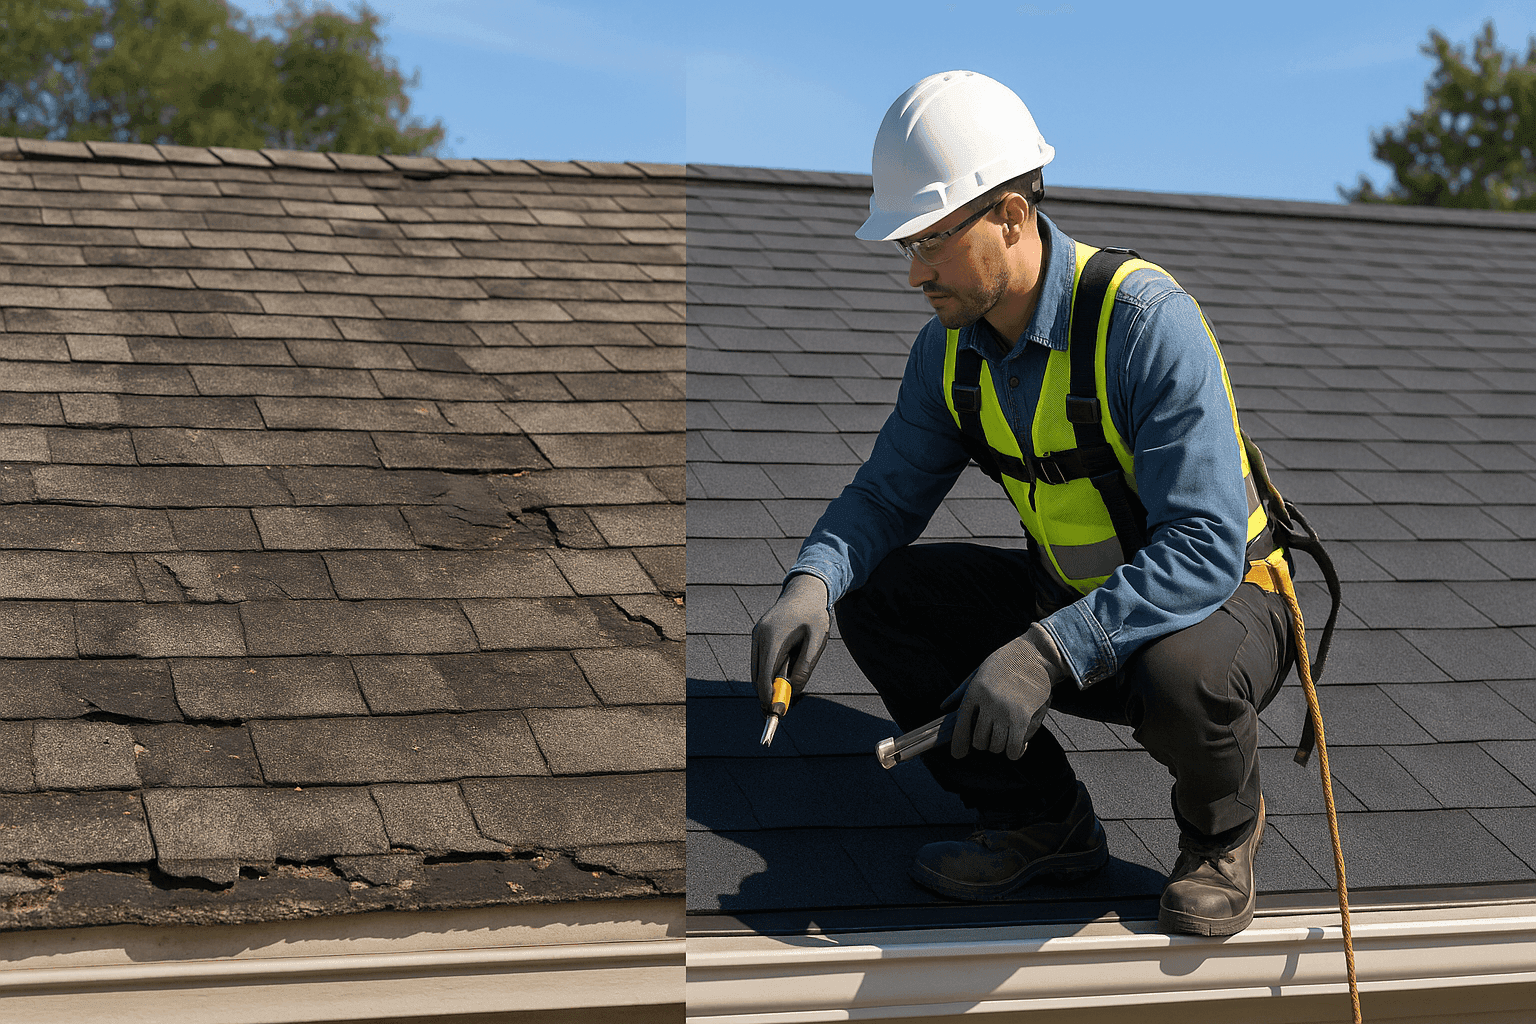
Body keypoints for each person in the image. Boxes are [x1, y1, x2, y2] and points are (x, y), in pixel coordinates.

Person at [750, 70, 1297, 937]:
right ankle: (1042, 824)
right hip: (1073, 602)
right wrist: (812, 581)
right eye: (906, 247)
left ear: (1011, 215)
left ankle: (1220, 835)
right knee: (884, 599)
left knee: (1180, 673)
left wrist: (1046, 652)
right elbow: (885, 496)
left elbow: (1201, 545)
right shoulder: (949, 354)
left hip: (1225, 602)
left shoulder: (1144, 323)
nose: (914, 274)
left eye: (932, 241)